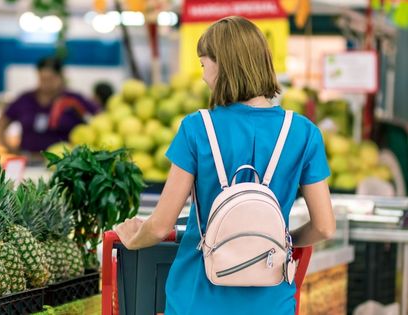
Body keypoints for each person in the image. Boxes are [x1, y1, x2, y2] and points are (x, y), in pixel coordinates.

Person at [114, 16, 335, 315]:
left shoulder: (197, 128)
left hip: (197, 296)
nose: (203, 76)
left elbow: (160, 226)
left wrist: (133, 238)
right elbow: (324, 227)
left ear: (223, 66)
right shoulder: (304, 132)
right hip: (271, 299)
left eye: (204, 64)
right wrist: (278, 242)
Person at [0, 57, 100, 153]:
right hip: (28, 159)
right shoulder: (25, 99)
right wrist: (9, 149)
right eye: (42, 79)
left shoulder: (74, 100)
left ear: (60, 77)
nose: (46, 84)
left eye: (50, 79)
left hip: (65, 162)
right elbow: (1, 124)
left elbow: (99, 118)